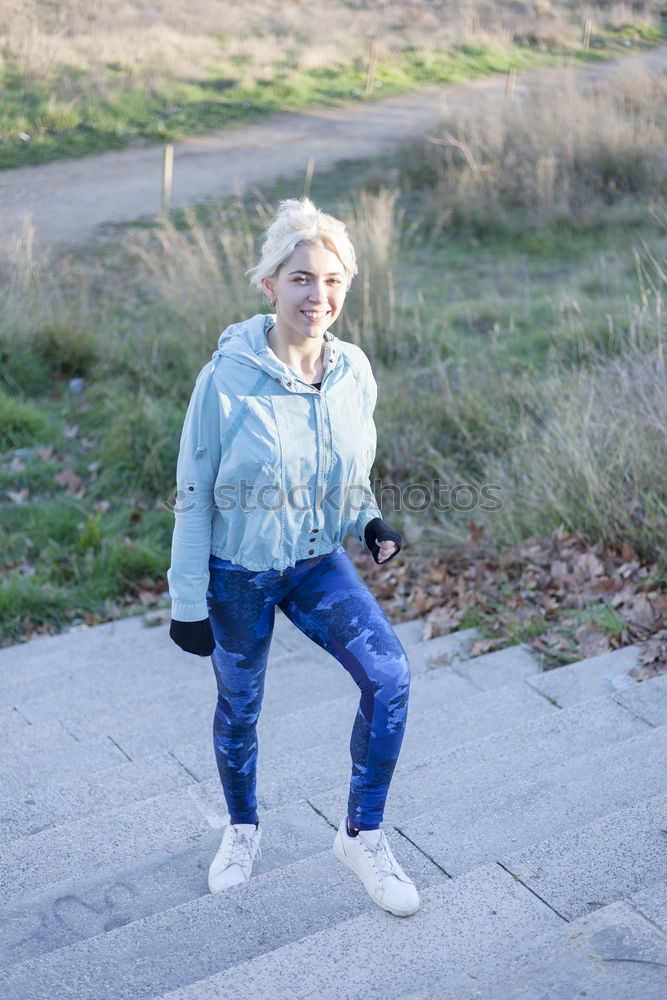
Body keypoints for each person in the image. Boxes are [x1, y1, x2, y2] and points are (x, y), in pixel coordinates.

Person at [167, 198, 419, 917]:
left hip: (314, 561)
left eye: (333, 280)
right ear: (269, 286)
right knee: (240, 707)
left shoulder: (353, 372)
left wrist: (367, 521)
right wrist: (188, 604)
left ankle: (361, 834)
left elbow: (351, 472)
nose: (319, 296)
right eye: (302, 278)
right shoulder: (224, 381)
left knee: (390, 676)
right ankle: (242, 827)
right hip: (236, 574)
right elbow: (194, 495)